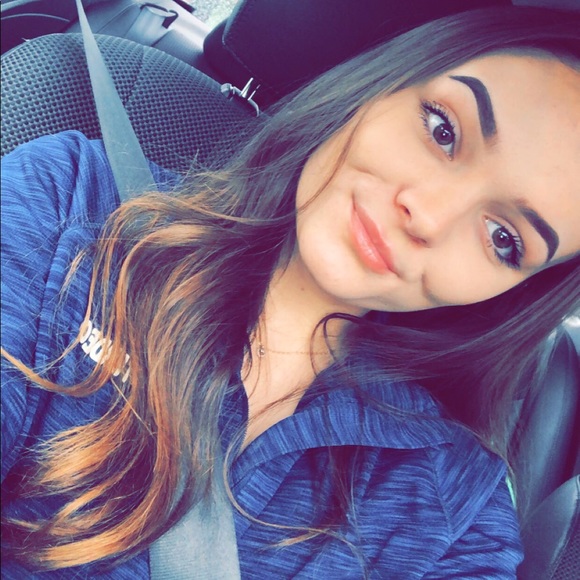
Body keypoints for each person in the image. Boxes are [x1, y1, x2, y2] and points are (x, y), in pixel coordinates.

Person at [1, 5, 579, 579]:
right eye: (443, 130)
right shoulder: (66, 210)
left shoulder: (452, 504)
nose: (428, 215)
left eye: (503, 239)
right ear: (384, 82)